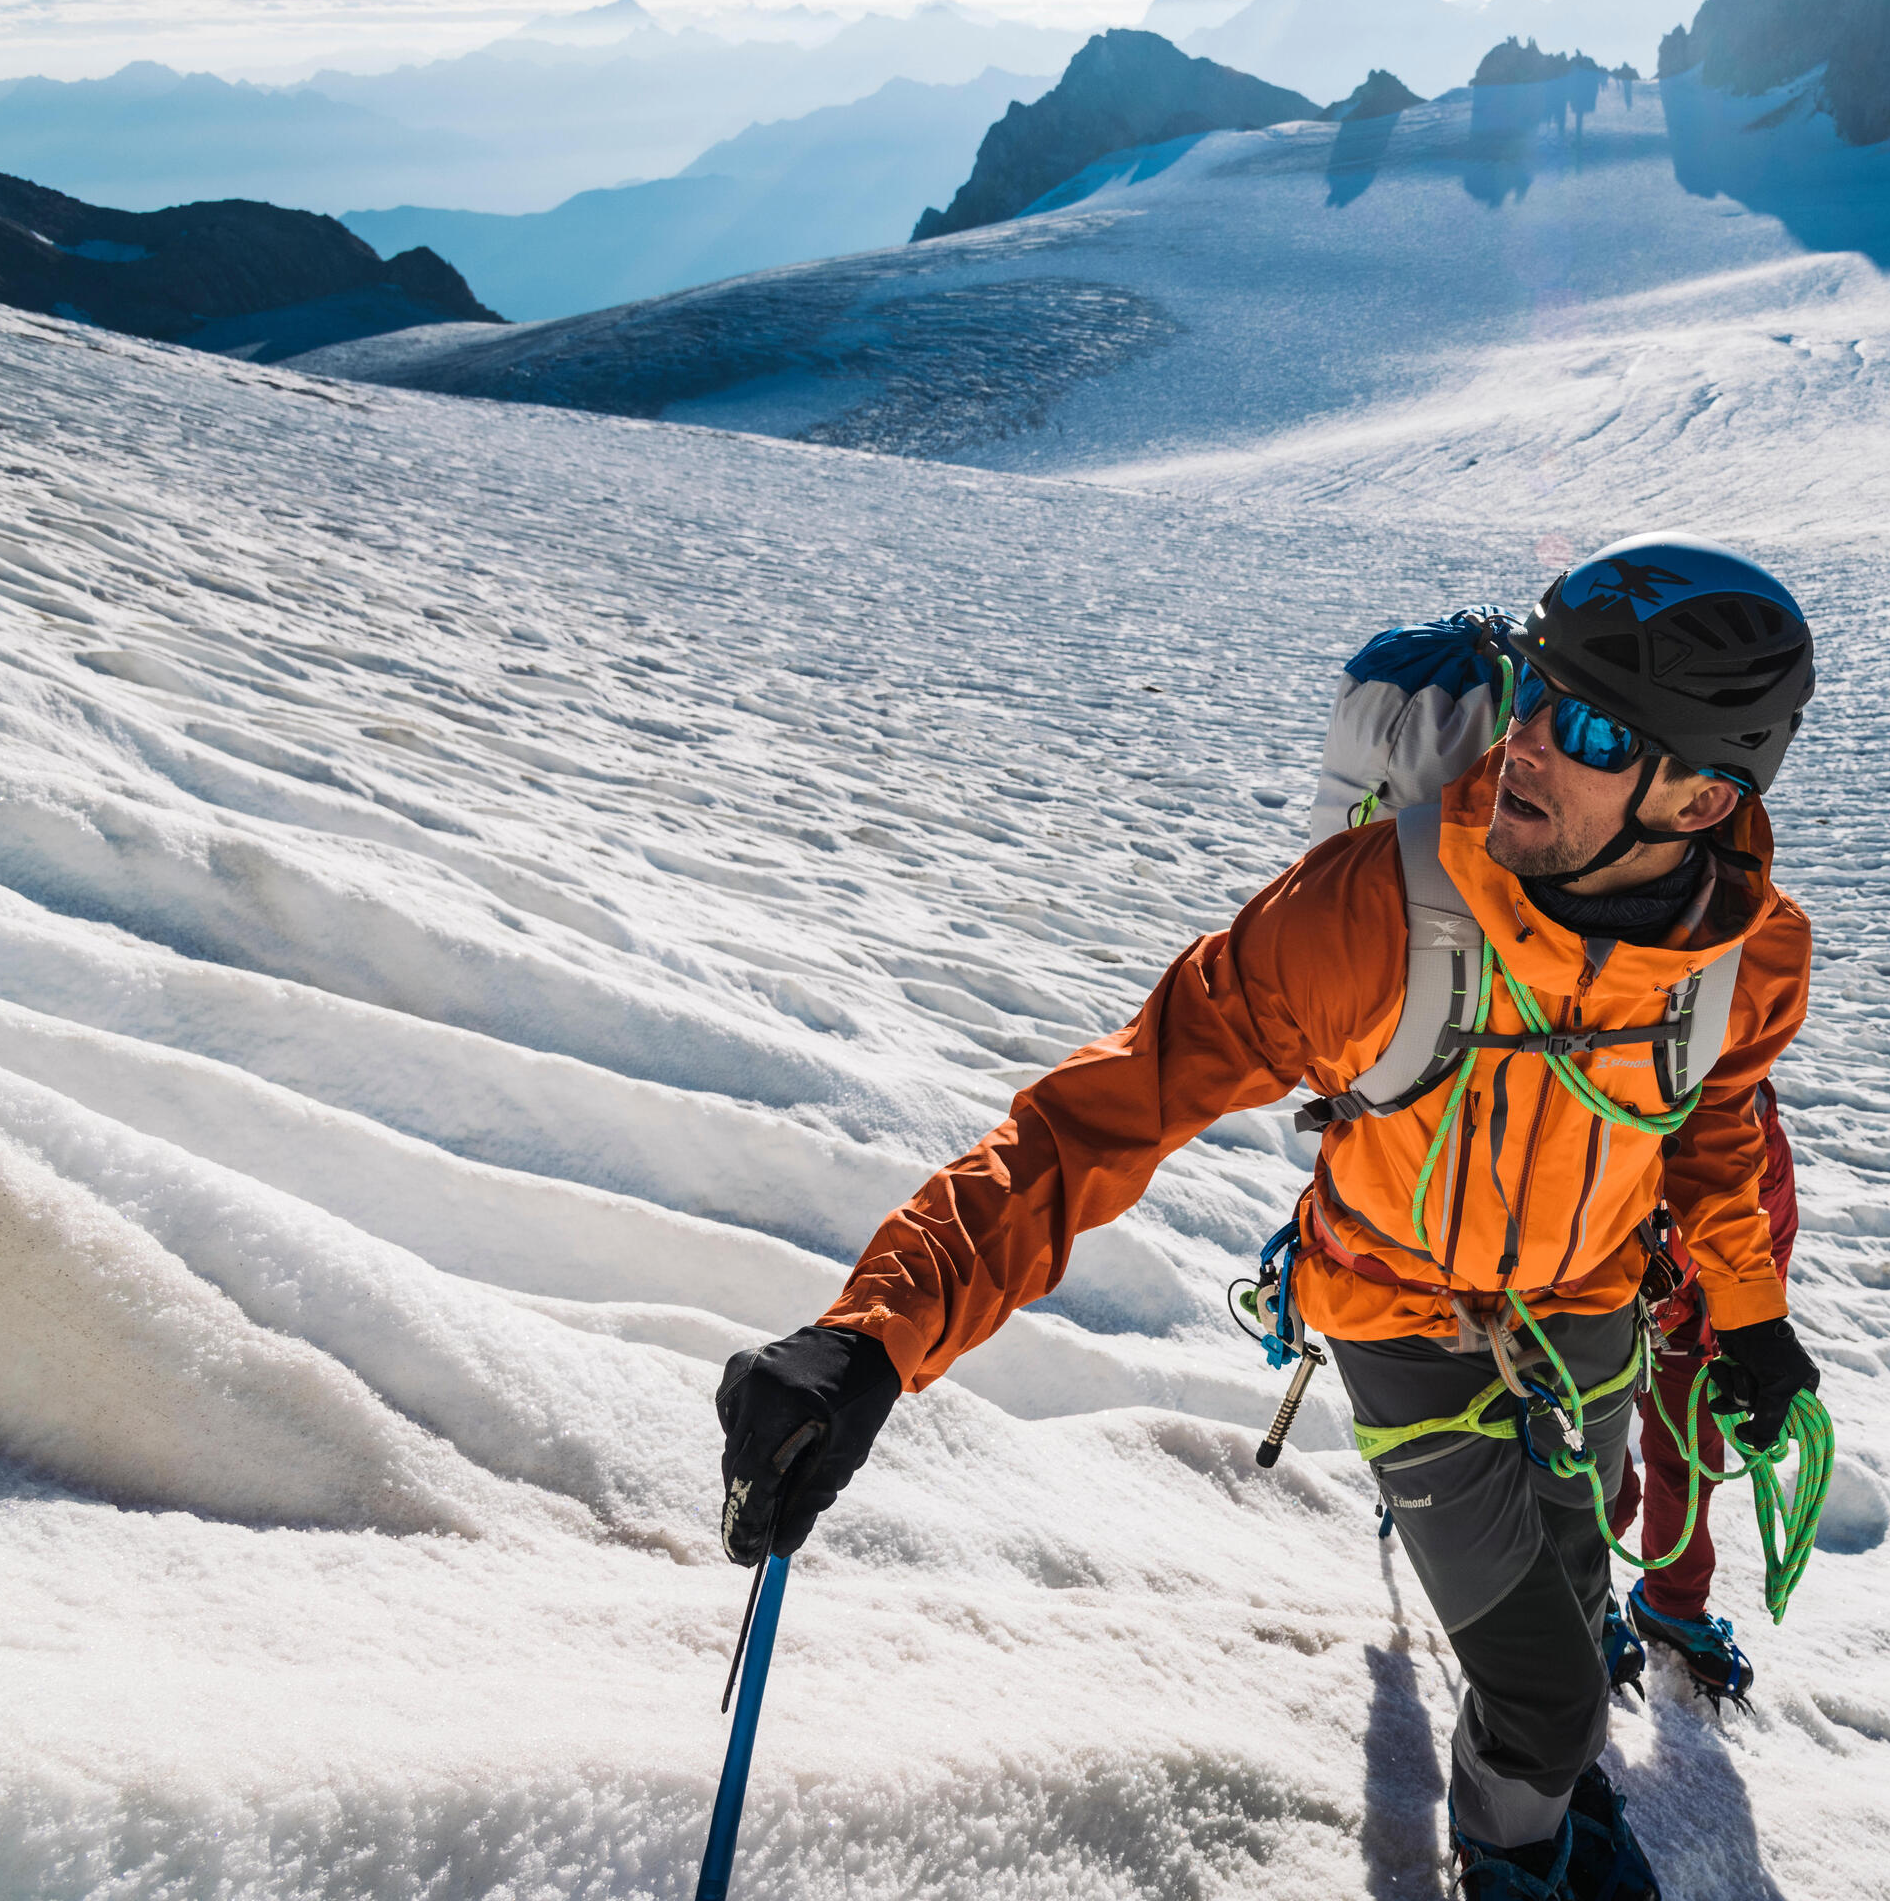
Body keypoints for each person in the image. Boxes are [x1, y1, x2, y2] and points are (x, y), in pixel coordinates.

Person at [713, 535, 1823, 1900]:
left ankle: (1548, 1786)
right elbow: (1100, 1117)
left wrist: (1755, 1327)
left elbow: (1713, 1135)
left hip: (1591, 1317)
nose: (1524, 741)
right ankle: (1511, 1854)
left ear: (1704, 800)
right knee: (1545, 1687)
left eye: (1586, 726)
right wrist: (873, 1340)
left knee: (1575, 1630)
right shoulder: (1364, 919)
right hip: (1401, 1323)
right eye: (1532, 690)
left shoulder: (1750, 958)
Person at [1606, 1078, 1802, 1706]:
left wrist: (1741, 1338)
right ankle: (1570, 1599)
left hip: (1686, 1309)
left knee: (1690, 1463)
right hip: (1592, 1301)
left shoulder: (1749, 1117)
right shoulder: (1610, 1083)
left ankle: (1672, 1603)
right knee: (1594, 1472)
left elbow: (1766, 1233)